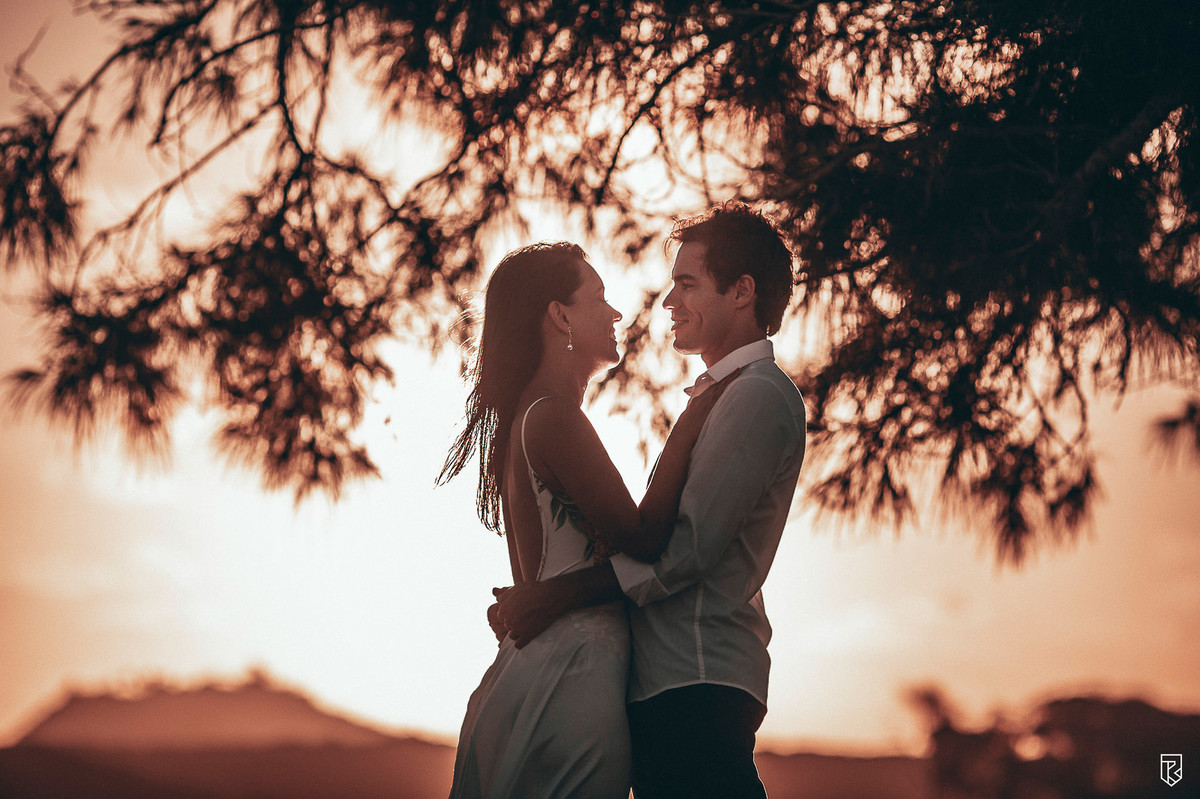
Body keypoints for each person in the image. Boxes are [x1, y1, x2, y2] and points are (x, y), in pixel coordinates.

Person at [495, 203, 806, 799]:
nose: (668, 301)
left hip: (695, 678)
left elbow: (683, 552)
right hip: (662, 682)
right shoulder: (720, 397)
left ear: (742, 292)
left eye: (687, 284)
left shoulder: (755, 396)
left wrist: (554, 596)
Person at [439, 241, 731, 799]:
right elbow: (644, 539)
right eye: (598, 297)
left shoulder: (529, 416)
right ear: (560, 315)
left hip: (542, 673)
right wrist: (691, 421)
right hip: (570, 682)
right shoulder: (552, 416)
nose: (615, 313)